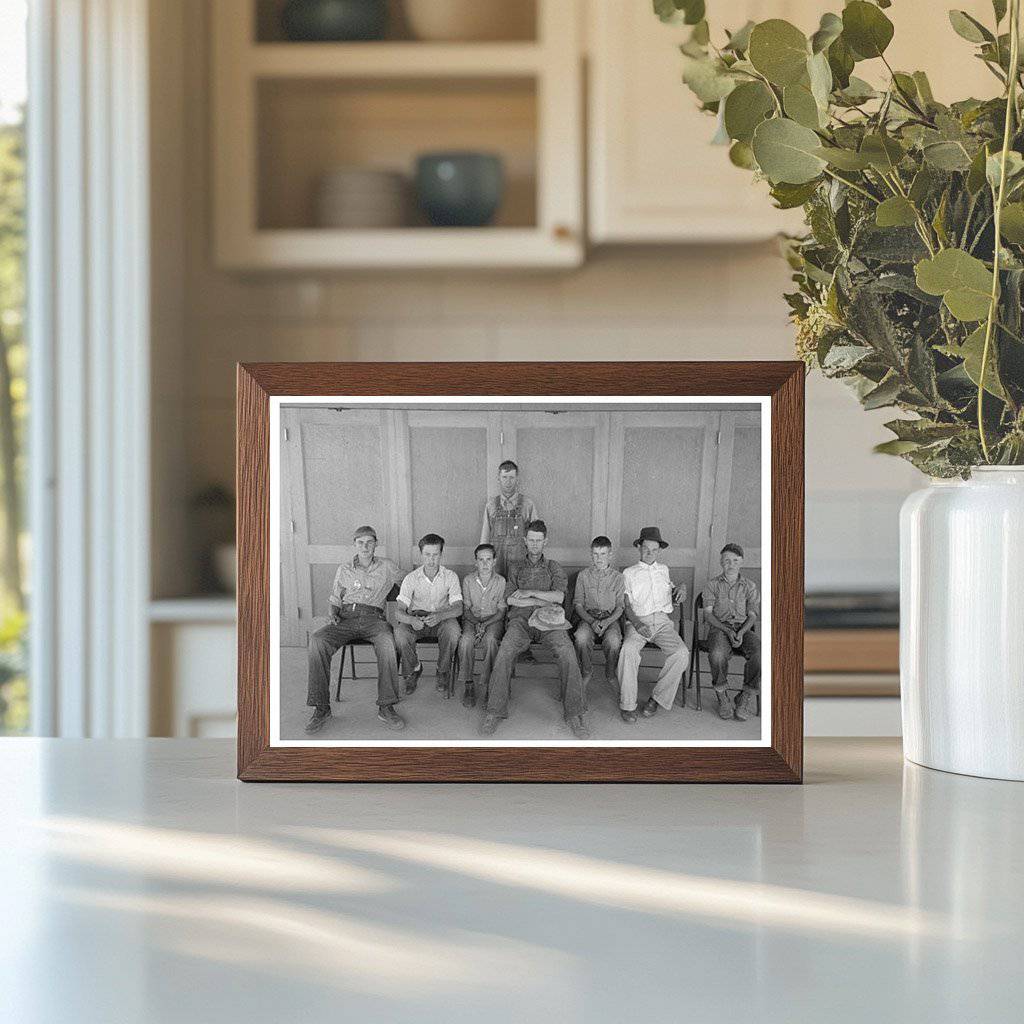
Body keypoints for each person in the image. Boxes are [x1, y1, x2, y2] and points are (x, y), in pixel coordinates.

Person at [480, 520, 589, 740]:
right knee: (505, 652)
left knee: (567, 653)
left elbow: (559, 597)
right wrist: (541, 598)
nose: (535, 545)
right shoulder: (515, 567)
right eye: (531, 540)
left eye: (539, 541)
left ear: (545, 542)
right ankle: (494, 711)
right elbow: (511, 599)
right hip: (520, 621)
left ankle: (574, 714)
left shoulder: (553, 567)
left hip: (551, 622)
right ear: (525, 541)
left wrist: (528, 593)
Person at [305, 525, 405, 734]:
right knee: (317, 640)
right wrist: (333, 612)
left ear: (376, 543)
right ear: (355, 545)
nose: (365, 546)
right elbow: (335, 597)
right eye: (361, 542)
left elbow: (410, 582)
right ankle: (321, 708)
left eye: (369, 542)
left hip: (374, 618)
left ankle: (386, 706)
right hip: (345, 617)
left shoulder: (387, 566)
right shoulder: (344, 568)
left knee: (388, 642)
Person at [618, 526, 689, 723]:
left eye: (655, 549)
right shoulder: (629, 573)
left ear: (659, 550)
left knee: (682, 654)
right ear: (639, 547)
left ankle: (657, 698)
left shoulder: (664, 570)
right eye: (646, 548)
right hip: (638, 622)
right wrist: (637, 624)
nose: (650, 553)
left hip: (663, 623)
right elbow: (625, 604)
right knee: (628, 650)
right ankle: (627, 704)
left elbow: (674, 595)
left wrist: (681, 590)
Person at [393, 533, 464, 698]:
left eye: (435, 555)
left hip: (442, 617)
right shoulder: (411, 578)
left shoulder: (450, 576)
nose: (431, 559)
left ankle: (442, 670)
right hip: (417, 619)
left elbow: (458, 608)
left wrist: (440, 616)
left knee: (453, 632)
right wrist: (411, 620)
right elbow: (398, 610)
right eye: (427, 555)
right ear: (421, 555)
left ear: (441, 554)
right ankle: (414, 668)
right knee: (400, 634)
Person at [702, 543, 761, 721]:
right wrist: (727, 630)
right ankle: (722, 696)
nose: (731, 564)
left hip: (743, 628)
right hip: (719, 628)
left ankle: (745, 695)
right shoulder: (712, 585)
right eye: (727, 560)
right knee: (718, 654)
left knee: (761, 653)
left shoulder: (749, 586)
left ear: (741, 562)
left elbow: (752, 616)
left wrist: (742, 632)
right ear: (721, 562)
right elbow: (708, 615)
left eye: (735, 560)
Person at [456, 543, 507, 708]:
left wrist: (485, 625)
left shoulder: (500, 581)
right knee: (465, 641)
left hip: (493, 620)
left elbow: (501, 612)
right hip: (472, 619)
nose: (485, 564)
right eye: (481, 560)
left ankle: (487, 685)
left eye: (488, 559)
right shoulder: (468, 580)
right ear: (476, 562)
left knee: (491, 641)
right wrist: (477, 623)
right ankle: (469, 684)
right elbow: (466, 609)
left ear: (494, 561)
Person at [573, 536, 625, 690]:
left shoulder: (618, 578)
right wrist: (592, 622)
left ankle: (610, 673)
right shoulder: (583, 576)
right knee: (581, 638)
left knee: (614, 641)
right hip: (588, 617)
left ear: (610, 554)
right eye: (595, 554)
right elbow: (578, 604)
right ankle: (587, 671)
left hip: (610, 619)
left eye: (603, 554)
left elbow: (620, 607)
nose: (599, 558)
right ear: (591, 555)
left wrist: (606, 622)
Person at [480, 460, 539, 578]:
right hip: (496, 566)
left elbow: (536, 538)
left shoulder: (528, 504)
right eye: (504, 477)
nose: (508, 482)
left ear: (517, 479)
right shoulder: (491, 505)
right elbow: (484, 540)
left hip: (521, 566)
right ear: (499, 479)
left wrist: (534, 562)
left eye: (511, 477)